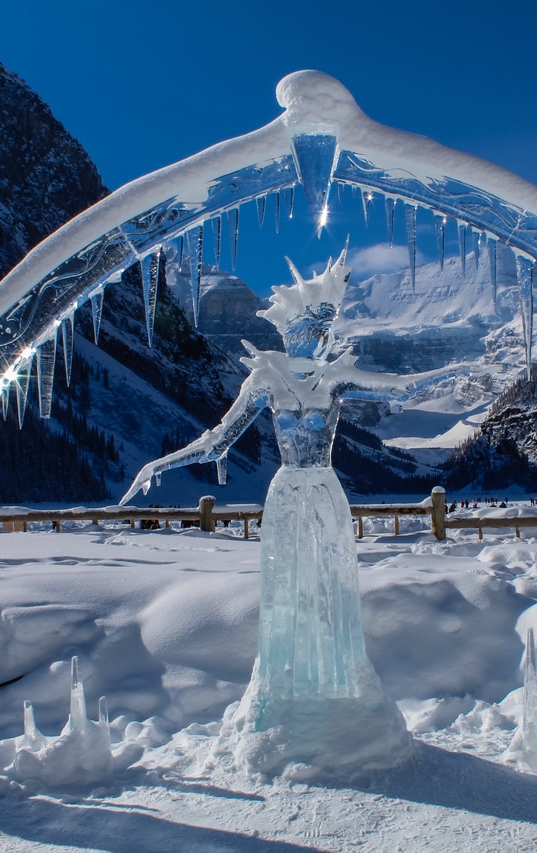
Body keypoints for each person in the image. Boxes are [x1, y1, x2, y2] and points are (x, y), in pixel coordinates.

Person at [121, 247, 455, 772]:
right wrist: (160, 465)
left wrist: (459, 368)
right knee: (288, 592)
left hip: (324, 493)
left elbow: (402, 387)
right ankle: (288, 696)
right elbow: (217, 441)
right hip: (290, 496)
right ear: (293, 326)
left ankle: (337, 691)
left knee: (330, 589)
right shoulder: (266, 379)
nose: (320, 332)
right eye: (315, 321)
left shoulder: (335, 377)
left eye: (327, 322)